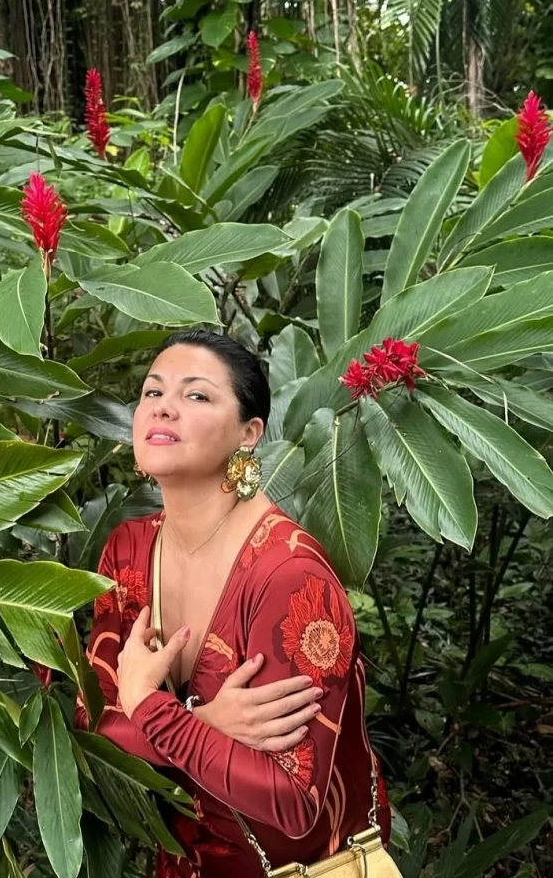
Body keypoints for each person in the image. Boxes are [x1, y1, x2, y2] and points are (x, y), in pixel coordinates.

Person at [75, 331, 391, 878]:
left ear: (249, 434)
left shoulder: (289, 576)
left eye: (196, 395)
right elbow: (89, 716)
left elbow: (292, 801)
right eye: (153, 392)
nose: (164, 407)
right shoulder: (128, 550)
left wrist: (149, 708)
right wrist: (201, 720)